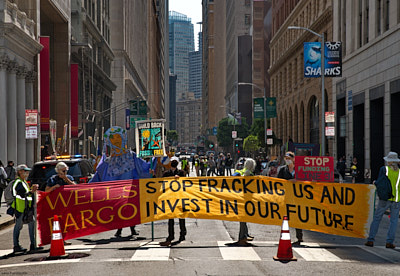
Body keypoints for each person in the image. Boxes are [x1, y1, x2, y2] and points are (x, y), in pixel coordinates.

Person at [365, 152, 400, 249]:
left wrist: (374, 182)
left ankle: (371, 240)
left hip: (385, 198)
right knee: (394, 221)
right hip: (396, 199)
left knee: (377, 218)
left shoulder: (384, 169)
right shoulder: (399, 172)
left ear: (388, 161)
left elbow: (379, 182)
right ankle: (389, 242)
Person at [12, 164, 42, 253]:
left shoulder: (24, 181)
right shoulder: (18, 182)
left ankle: (33, 244)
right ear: (20, 172)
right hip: (20, 208)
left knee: (31, 224)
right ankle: (16, 246)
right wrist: (31, 191)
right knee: (18, 226)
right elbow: (21, 194)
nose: (27, 173)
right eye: (25, 171)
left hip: (26, 208)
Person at [277, 151, 303, 245]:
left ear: (293, 159)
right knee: (285, 217)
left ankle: (299, 237)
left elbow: (305, 180)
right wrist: (288, 182)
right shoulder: (283, 170)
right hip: (286, 197)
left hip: (298, 197)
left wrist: (297, 181)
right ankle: (285, 237)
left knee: (297, 217)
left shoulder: (299, 169)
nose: (287, 160)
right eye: (286, 158)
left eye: (289, 158)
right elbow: (278, 182)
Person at [160, 157, 186, 246]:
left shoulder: (181, 173)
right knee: (170, 219)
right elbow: (159, 183)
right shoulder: (166, 173)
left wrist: (179, 178)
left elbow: (186, 183)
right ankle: (170, 236)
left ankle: (182, 234)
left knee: (181, 217)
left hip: (179, 198)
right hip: (170, 198)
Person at [233, 158, 256, 245]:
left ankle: (245, 234)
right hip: (245, 198)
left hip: (240, 197)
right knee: (243, 218)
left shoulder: (240, 171)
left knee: (244, 218)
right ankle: (242, 237)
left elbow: (232, 176)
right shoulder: (249, 173)